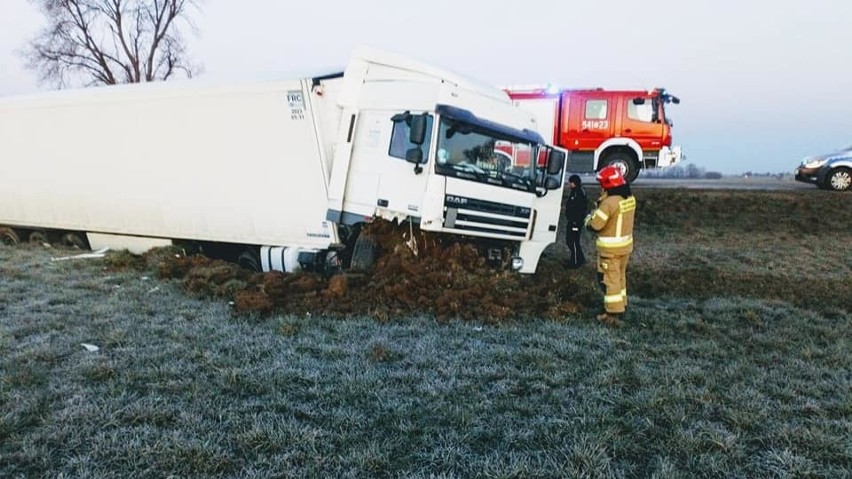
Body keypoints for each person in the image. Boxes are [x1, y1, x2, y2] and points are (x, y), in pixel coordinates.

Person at [585, 166, 636, 326]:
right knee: (620, 278)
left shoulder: (609, 203)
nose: (601, 187)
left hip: (610, 251)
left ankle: (612, 314)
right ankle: (622, 305)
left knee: (609, 280)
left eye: (602, 184)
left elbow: (596, 224)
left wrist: (588, 220)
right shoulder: (629, 198)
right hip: (625, 247)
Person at [563, 174, 588, 268]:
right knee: (572, 240)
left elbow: (579, 208)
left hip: (575, 221)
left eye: (570, 183)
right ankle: (579, 258)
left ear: (574, 183)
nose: (569, 184)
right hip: (573, 220)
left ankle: (575, 262)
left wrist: (575, 220)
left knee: (572, 241)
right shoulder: (576, 192)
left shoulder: (578, 193)